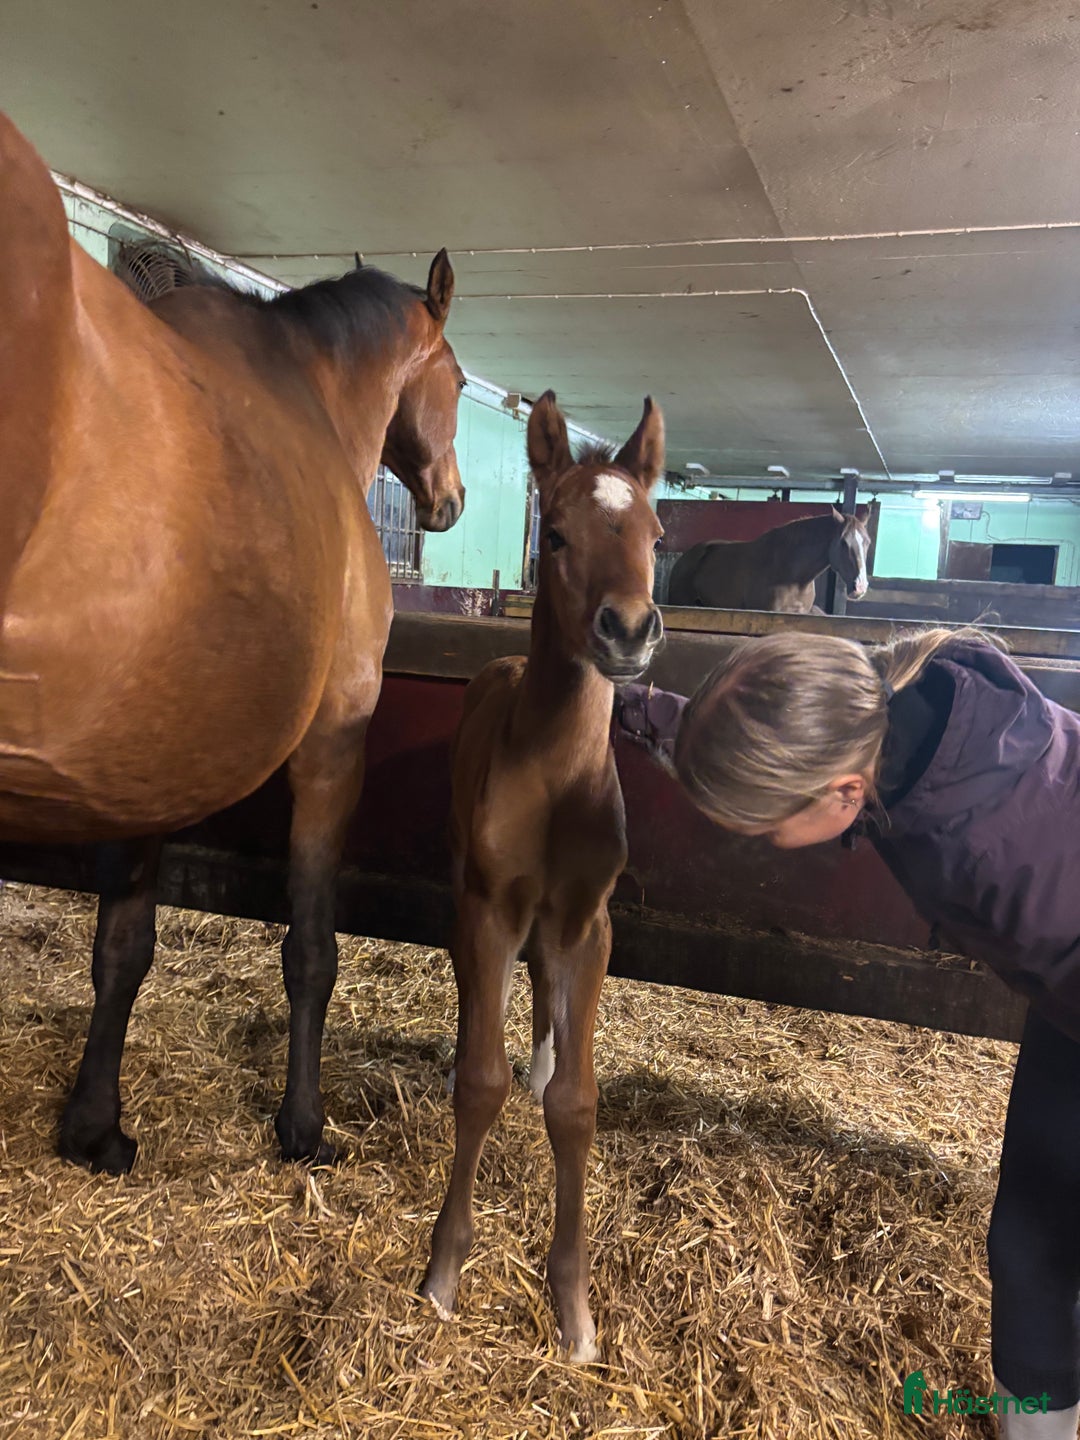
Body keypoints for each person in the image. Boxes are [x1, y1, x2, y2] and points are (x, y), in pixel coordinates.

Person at [615, 627, 1080, 1440]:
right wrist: (618, 702)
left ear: (840, 793)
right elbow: (762, 729)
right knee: (1029, 1242)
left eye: (763, 830)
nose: (760, 844)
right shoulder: (890, 715)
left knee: (1042, 1243)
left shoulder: (982, 848)